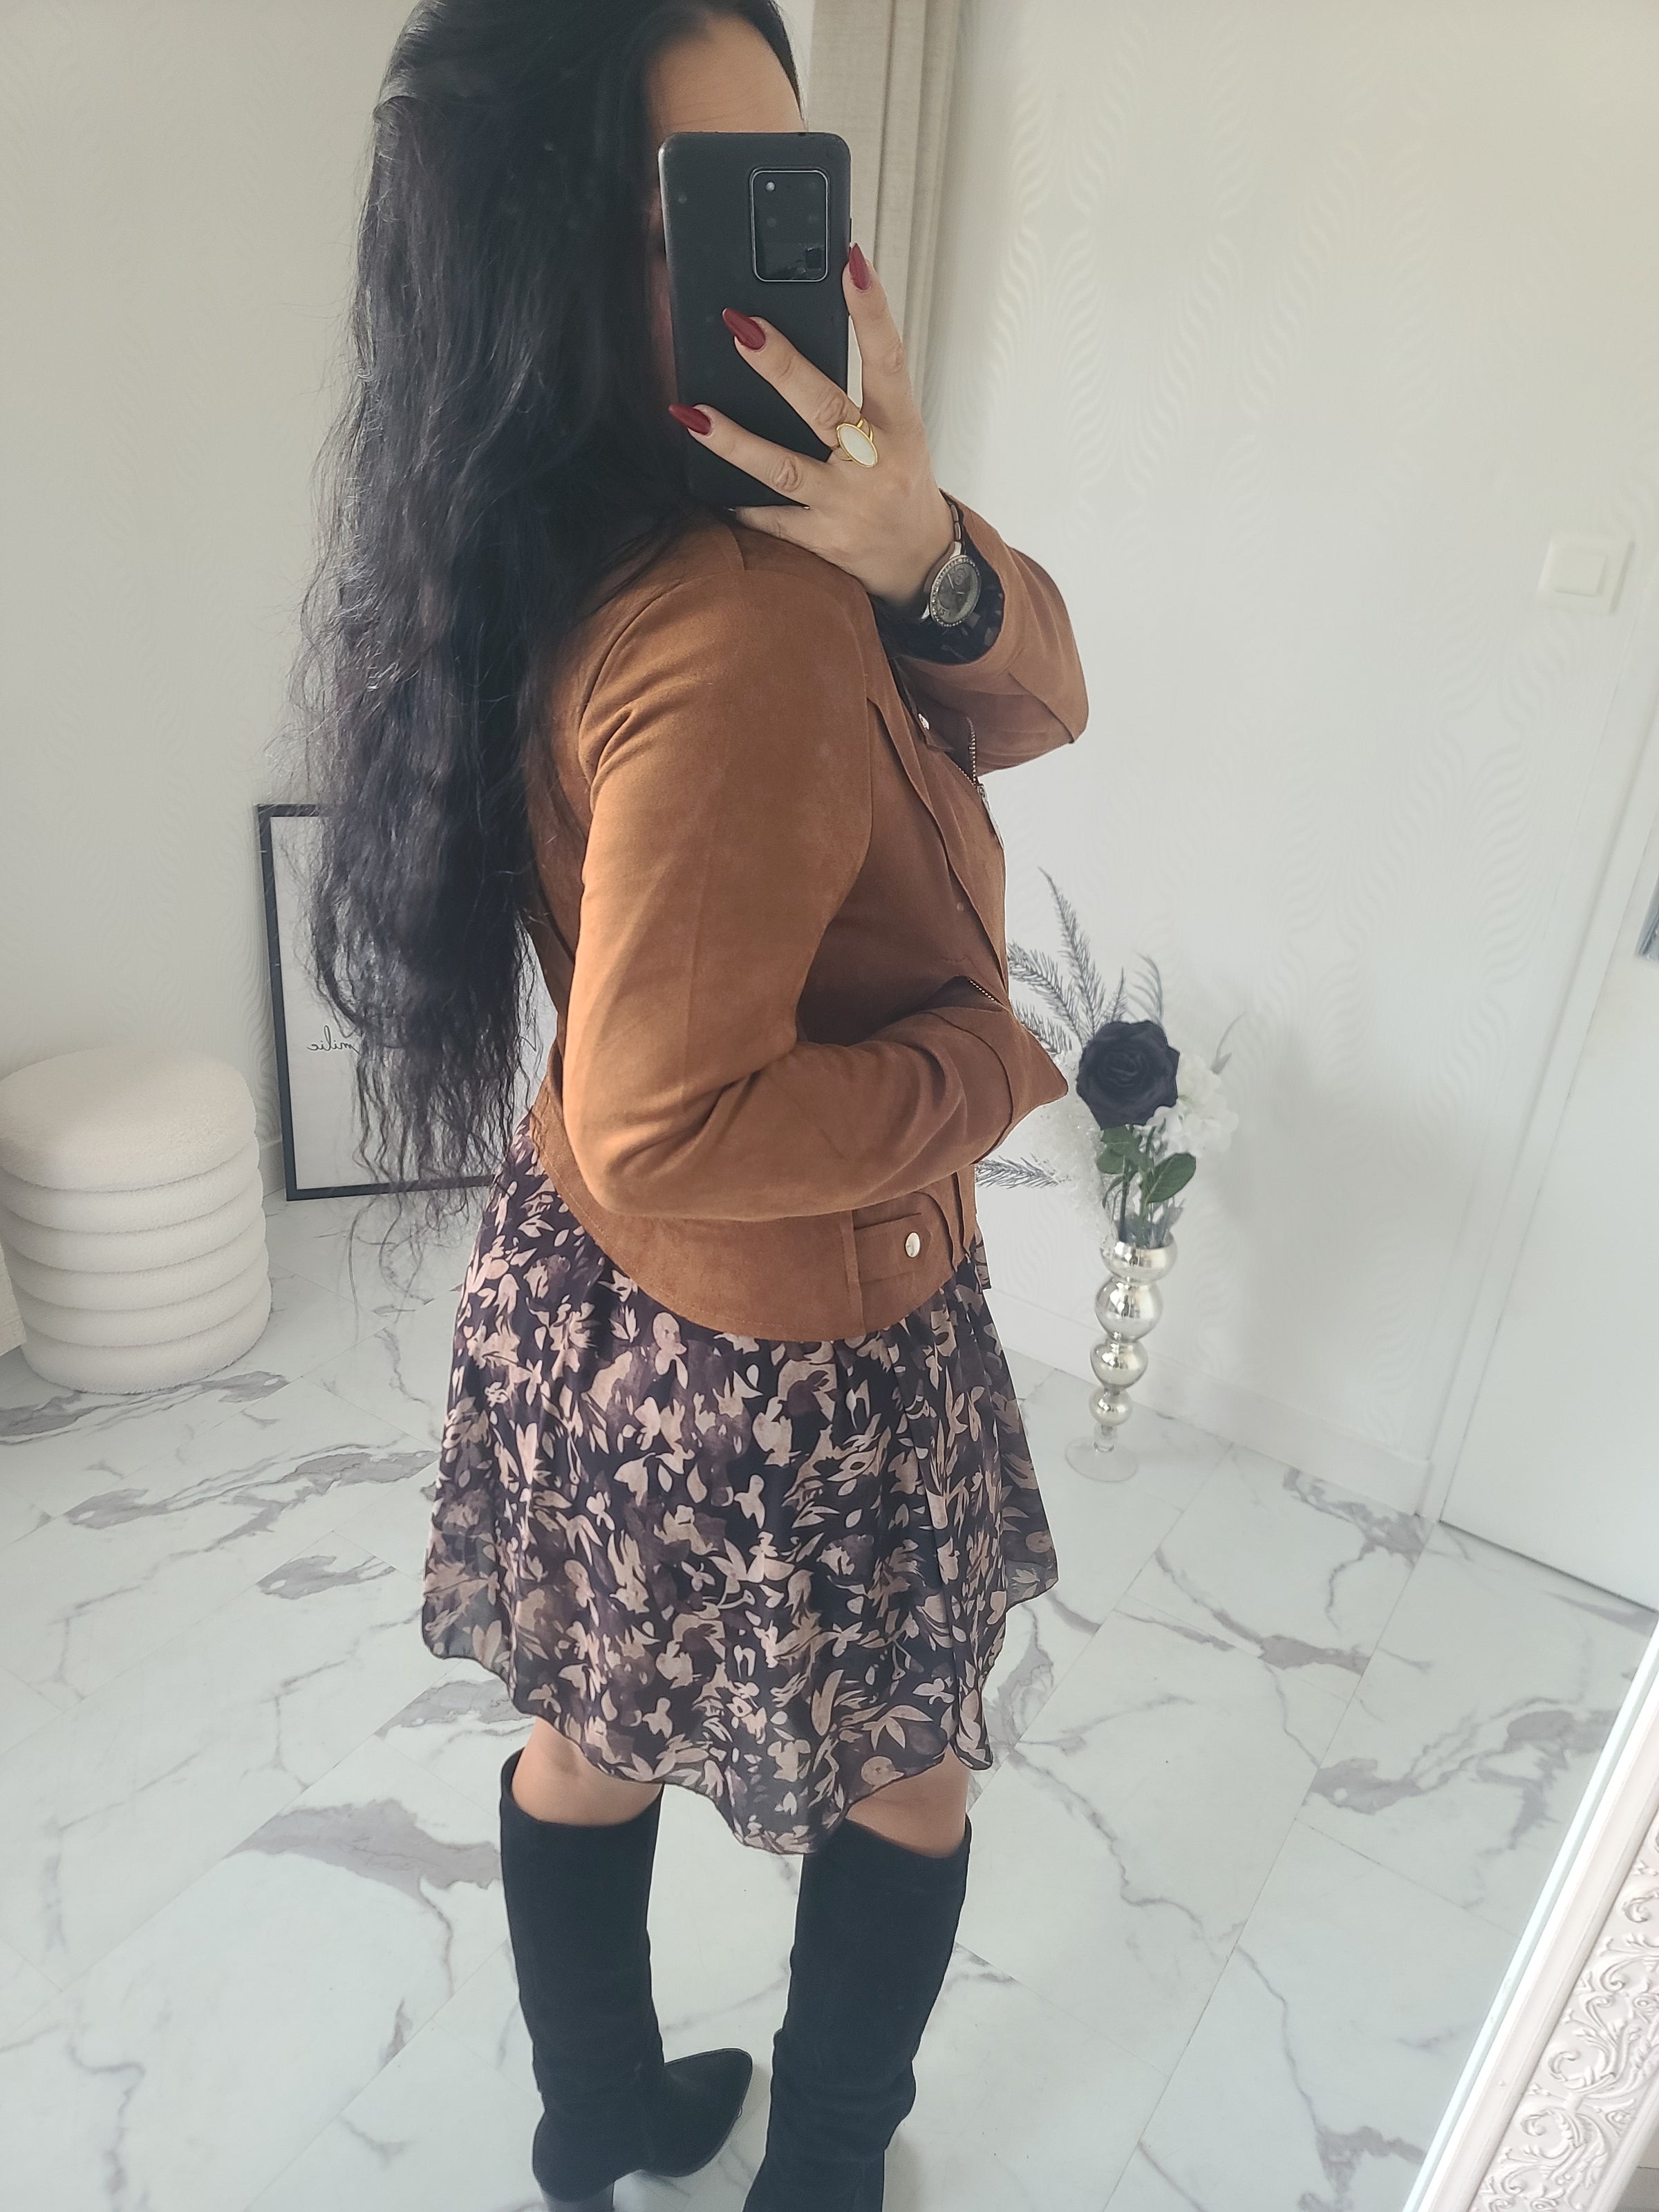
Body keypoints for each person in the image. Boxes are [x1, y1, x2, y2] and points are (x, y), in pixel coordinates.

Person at [298, 5, 1087, 2209]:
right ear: (553, 259)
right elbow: (682, 1118)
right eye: (695, 218)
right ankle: (824, 2172)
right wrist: (989, 1067)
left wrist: (919, 540)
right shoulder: (739, 617)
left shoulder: (544, 527)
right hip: (791, 1331)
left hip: (592, 1306)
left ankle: (598, 2129)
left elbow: (1038, 688)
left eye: (786, 189)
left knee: (595, 1731)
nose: (779, 269)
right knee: (906, 1780)